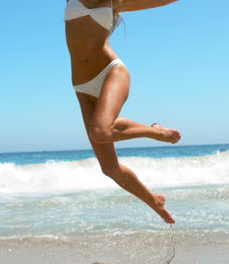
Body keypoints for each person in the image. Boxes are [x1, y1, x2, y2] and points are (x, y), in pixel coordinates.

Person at [65, 0, 181, 224]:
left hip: (111, 73)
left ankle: (157, 132)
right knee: (109, 168)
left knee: (100, 131)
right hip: (82, 86)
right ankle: (154, 201)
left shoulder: (112, 1)